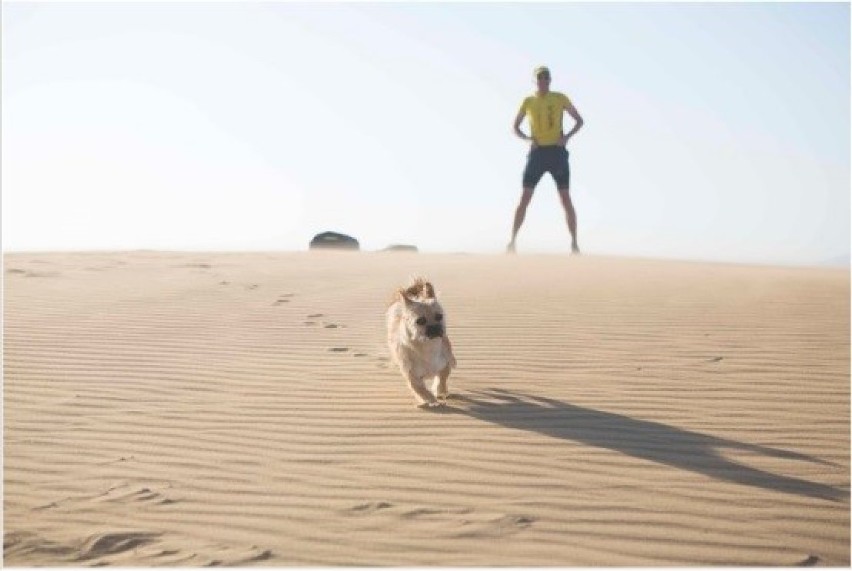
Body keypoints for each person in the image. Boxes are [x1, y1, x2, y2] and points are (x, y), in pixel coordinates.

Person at [508, 65, 584, 254]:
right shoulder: (528, 101)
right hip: (537, 153)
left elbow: (579, 120)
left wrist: (566, 137)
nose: (543, 81)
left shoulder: (559, 98)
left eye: (546, 78)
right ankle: (512, 242)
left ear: (550, 80)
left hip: (557, 153)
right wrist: (527, 139)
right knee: (525, 198)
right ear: (535, 81)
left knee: (565, 199)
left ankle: (574, 243)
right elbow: (515, 127)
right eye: (540, 78)